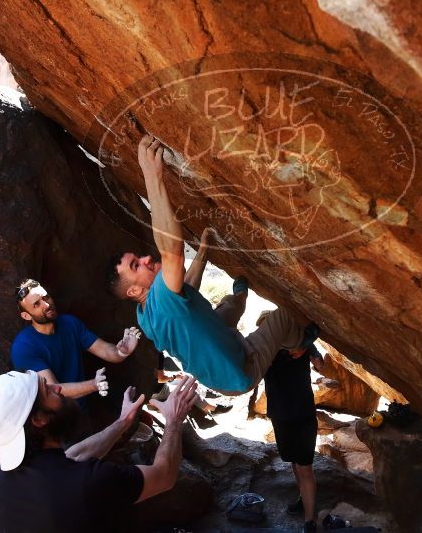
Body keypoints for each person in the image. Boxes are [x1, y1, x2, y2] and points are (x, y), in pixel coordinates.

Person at [105, 134, 318, 396]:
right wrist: (151, 175)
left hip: (214, 370)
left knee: (224, 308)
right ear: (134, 291)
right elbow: (172, 253)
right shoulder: (161, 294)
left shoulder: (145, 315)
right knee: (283, 317)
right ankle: (300, 343)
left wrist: (203, 253)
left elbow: (184, 290)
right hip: (240, 370)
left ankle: (239, 297)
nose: (147, 259)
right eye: (136, 265)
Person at [0, 370, 198, 532]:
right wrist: (174, 419)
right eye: (48, 390)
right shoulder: (91, 482)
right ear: (39, 419)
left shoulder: (0, 483)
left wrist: (122, 422)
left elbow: (72, 457)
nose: (58, 388)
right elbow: (164, 475)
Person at [12, 279, 142, 399]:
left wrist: (122, 352)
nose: (46, 304)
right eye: (36, 304)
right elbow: (54, 390)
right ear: (26, 316)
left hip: (80, 409)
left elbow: (105, 350)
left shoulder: (69, 323)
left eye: (46, 297)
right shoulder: (24, 346)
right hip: (52, 419)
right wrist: (94, 384)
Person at [261, 333, 323, 533]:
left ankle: (309, 521)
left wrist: (308, 350)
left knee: (304, 467)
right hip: (280, 416)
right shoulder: (265, 350)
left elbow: (321, 365)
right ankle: (303, 498)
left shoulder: (303, 344)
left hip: (302, 415)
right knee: (294, 463)